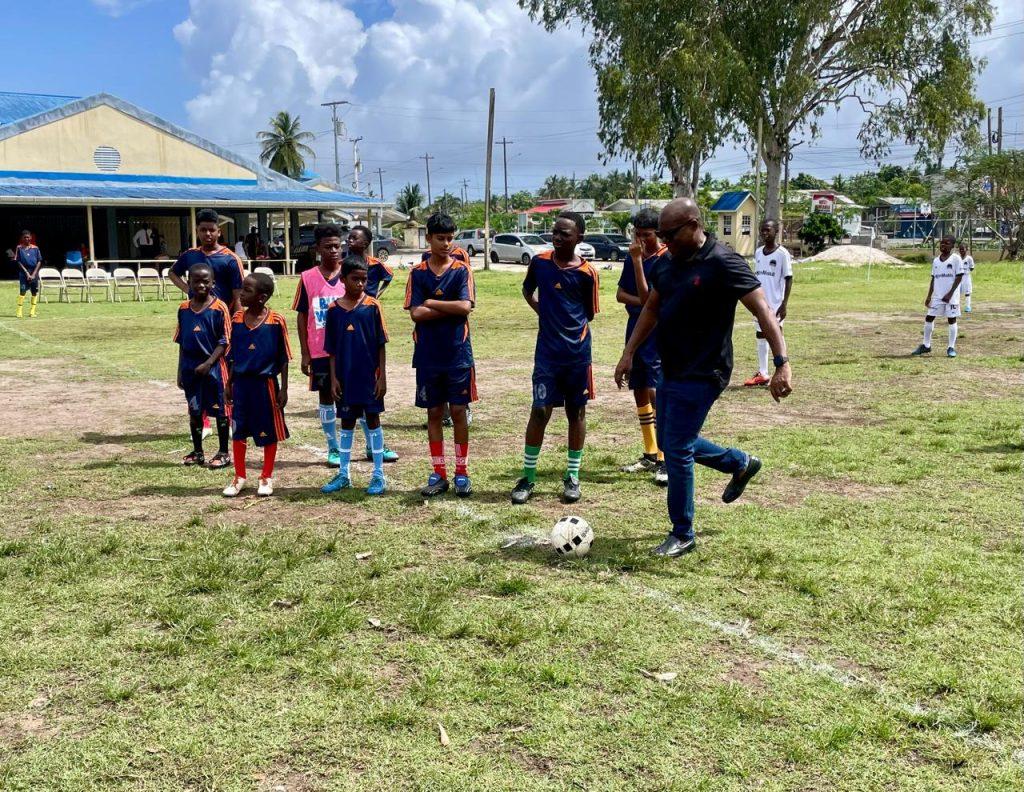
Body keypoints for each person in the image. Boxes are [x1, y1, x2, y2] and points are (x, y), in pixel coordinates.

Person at [614, 198, 793, 558]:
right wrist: (629, 352)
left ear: (694, 224)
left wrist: (781, 362)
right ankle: (739, 463)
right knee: (670, 439)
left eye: (669, 234)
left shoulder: (724, 262)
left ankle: (682, 532)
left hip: (706, 369)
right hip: (672, 365)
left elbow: (763, 311)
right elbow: (651, 307)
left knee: (677, 447)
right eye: (660, 234)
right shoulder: (667, 262)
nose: (663, 241)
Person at [510, 211, 599, 505]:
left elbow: (588, 313)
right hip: (546, 355)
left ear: (579, 239)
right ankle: (528, 477)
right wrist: (543, 313)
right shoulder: (540, 263)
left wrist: (568, 326)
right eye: (555, 232)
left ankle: (572, 476)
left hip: (577, 354)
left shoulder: (587, 274)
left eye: (566, 234)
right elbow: (527, 290)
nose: (558, 238)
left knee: (576, 412)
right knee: (540, 411)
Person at [404, 211, 476, 498]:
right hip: (428, 355)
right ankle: (439, 472)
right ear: (429, 238)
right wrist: (446, 305)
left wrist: (432, 302)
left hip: (458, 353)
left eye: (450, 238)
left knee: (458, 412)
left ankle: (462, 472)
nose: (446, 244)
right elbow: (415, 313)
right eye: (440, 238)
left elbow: (465, 308)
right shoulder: (418, 273)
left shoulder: (461, 270)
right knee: (434, 412)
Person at [320, 256, 390, 496]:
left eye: (364, 279)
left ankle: (379, 474)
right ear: (343, 280)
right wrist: (334, 378)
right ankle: (344, 473)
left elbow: (381, 344)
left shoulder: (372, 306)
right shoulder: (334, 310)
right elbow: (330, 350)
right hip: (345, 378)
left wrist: (382, 377)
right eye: (355, 279)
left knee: (373, 421)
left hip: (369, 377)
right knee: (347, 423)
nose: (360, 284)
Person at [224, 273, 291, 497]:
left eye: (247, 291)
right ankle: (239, 476)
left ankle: (266, 476)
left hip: (266, 385)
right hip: (242, 384)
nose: (241, 294)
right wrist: (228, 384)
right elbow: (232, 356)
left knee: (268, 432)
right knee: (239, 430)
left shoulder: (276, 321)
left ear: (261, 297)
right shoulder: (236, 319)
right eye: (242, 289)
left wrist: (284, 388)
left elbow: (283, 357)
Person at [616, 207, 668, 485]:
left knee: (655, 390)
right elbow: (620, 294)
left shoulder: (665, 258)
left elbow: (649, 296)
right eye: (637, 234)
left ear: (658, 234)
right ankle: (649, 452)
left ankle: (663, 456)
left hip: (657, 332)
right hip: (634, 329)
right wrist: (644, 304)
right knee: (638, 388)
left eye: (646, 235)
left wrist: (637, 263)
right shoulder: (632, 255)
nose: (641, 239)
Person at [294, 224, 349, 466]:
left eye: (338, 246)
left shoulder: (350, 274)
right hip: (320, 350)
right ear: (318, 249)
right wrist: (305, 353)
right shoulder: (307, 278)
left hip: (349, 349)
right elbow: (302, 316)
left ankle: (370, 444)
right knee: (326, 396)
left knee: (354, 396)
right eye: (329, 247)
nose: (335, 251)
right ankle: (333, 447)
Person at [344, 225, 399, 464]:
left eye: (355, 237)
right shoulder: (344, 265)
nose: (350, 239)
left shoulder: (376, 265)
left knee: (371, 395)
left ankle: (375, 446)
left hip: (368, 318)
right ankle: (343, 454)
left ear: (366, 242)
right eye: (349, 236)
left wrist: (377, 295)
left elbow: (389, 275)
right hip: (348, 322)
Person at [174, 264, 233, 468]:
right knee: (195, 410)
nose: (200, 285)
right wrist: (180, 370)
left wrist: (209, 363)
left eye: (205, 281)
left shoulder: (219, 308)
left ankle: (223, 451)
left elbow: (225, 340)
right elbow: (181, 341)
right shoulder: (183, 309)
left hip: (214, 368)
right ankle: (198, 451)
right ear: (188, 282)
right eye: (196, 281)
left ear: (212, 283)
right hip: (191, 368)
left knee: (221, 411)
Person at [744, 219, 793, 387]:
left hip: (775, 304)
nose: (765, 233)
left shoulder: (782, 254)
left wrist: (784, 304)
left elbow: (789, 278)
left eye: (768, 230)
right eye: (762, 230)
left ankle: (783, 371)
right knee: (760, 334)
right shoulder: (758, 252)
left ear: (776, 232)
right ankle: (763, 373)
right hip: (760, 304)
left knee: (777, 334)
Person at [169, 209, 245, 312]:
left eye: (212, 230)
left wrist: (237, 322)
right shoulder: (190, 255)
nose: (208, 233)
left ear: (219, 232)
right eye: (203, 230)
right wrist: (187, 289)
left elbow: (238, 295)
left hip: (223, 317)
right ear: (197, 231)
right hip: (197, 315)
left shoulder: (231, 259)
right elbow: (172, 272)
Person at [912, 235, 963, 358]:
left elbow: (959, 276)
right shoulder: (936, 261)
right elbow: (933, 279)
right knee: (929, 318)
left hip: (951, 298)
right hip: (937, 297)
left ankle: (951, 347)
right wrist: (929, 296)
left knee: (951, 320)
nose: (943, 245)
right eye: (941, 243)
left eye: (946, 243)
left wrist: (950, 294)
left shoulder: (956, 259)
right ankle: (926, 345)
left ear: (952, 246)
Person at [13, 230, 41, 318]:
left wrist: (33, 274)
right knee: (22, 291)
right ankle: (19, 311)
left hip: (34, 273)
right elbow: (18, 261)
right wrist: (26, 273)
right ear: (22, 238)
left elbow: (39, 261)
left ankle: (32, 312)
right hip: (23, 273)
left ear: (31, 238)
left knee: (34, 292)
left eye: (28, 237)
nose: (27, 239)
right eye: (25, 237)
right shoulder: (19, 248)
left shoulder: (35, 248)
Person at [958, 242, 974, 314]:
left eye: (963, 249)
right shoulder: (957, 258)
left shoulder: (969, 258)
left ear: (966, 249)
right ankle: (956, 306)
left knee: (967, 292)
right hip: (958, 277)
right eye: (960, 249)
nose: (961, 251)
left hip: (966, 277)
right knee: (957, 292)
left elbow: (972, 267)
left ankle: (968, 306)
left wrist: (966, 272)